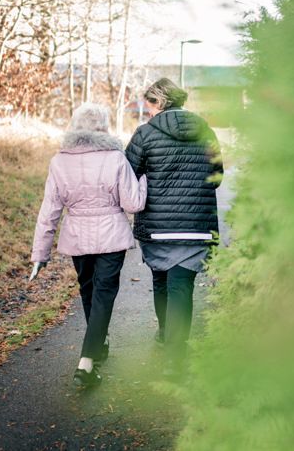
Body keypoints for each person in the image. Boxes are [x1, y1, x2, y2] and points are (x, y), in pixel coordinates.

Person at [30, 103, 146, 387]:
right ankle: (86, 362)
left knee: (88, 291)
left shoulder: (59, 160)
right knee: (103, 295)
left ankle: (99, 343)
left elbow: (49, 211)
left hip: (78, 237)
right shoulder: (116, 157)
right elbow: (134, 203)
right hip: (111, 237)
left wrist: (39, 255)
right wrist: (143, 180)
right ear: (104, 126)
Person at [125, 78, 223, 375]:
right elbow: (216, 176)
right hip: (196, 226)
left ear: (160, 102)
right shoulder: (206, 131)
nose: (147, 111)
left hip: (158, 226)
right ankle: (175, 357)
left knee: (162, 282)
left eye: (149, 105)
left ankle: (167, 338)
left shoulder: (145, 134)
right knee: (182, 287)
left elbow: (127, 175)